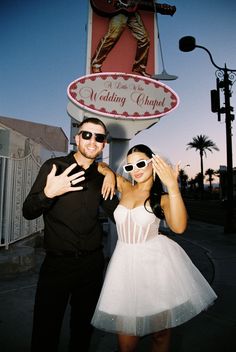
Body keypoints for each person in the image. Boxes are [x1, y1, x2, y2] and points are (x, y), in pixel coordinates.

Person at [92, 144, 217, 352]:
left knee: (160, 334)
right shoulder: (124, 186)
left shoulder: (163, 198)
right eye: (130, 166)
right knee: (126, 343)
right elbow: (101, 165)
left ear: (153, 163)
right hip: (124, 266)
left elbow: (179, 227)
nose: (136, 169)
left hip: (155, 266)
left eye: (141, 163)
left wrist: (173, 186)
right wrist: (107, 173)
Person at [22, 117, 119, 352]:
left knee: (83, 331)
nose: (92, 141)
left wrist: (113, 176)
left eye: (99, 137)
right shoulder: (55, 167)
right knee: (45, 331)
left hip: (92, 266)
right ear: (77, 138)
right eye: (87, 134)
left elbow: (118, 214)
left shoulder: (101, 176)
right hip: (57, 265)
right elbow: (28, 211)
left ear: (104, 143)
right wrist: (48, 193)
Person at [90, 1, 176, 77]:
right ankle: (96, 65)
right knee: (112, 36)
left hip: (131, 10)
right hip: (119, 9)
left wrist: (161, 8)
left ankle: (139, 68)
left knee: (144, 39)